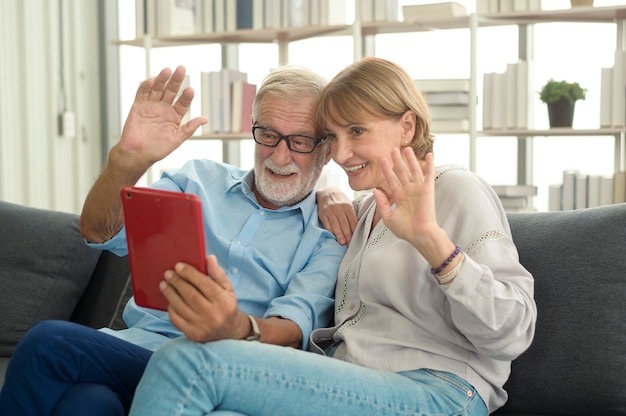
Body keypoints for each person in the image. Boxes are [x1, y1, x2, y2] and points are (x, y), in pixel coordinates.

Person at [127, 57, 537, 416]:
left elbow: (513, 333)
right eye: (334, 137)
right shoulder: (360, 214)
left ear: (406, 126)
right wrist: (327, 192)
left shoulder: (455, 189)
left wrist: (432, 241)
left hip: (441, 391)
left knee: (188, 361)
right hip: (351, 383)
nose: (340, 154)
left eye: (357, 132)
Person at [0, 65, 347, 415]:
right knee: (86, 405)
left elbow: (293, 328)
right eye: (268, 135)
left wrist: (236, 327)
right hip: (137, 348)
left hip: (211, 366)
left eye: (300, 142)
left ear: (327, 149)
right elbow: (97, 230)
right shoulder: (196, 179)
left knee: (49, 342)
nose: (279, 155)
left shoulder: (326, 235)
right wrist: (126, 160)